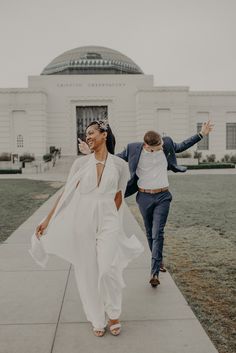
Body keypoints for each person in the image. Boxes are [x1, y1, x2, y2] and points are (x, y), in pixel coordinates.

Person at [29, 120, 144, 337]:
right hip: (83, 222)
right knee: (88, 271)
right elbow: (65, 195)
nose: (88, 136)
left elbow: (119, 195)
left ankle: (113, 313)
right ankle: (96, 317)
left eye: (91, 133)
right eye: (86, 134)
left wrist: (110, 215)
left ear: (104, 134)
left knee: (107, 267)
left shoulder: (119, 165)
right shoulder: (81, 165)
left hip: (108, 221)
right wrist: (48, 220)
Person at [79, 120, 213, 288]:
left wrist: (202, 134)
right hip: (143, 197)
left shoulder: (167, 144)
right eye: (157, 148)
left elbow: (182, 145)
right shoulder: (133, 149)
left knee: (158, 233)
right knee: (150, 233)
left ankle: (154, 272)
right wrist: (89, 154)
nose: (162, 148)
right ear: (148, 147)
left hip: (163, 196)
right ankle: (159, 260)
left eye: (162, 145)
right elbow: (111, 160)